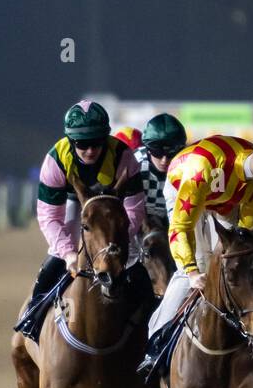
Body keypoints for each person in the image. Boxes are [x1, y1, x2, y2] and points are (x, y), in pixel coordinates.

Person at [137, 130, 253, 379]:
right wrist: (192, 273)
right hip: (186, 187)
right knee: (198, 264)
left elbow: (247, 232)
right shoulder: (204, 166)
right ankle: (155, 344)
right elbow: (180, 227)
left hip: (227, 199)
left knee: (241, 264)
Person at [12, 100, 150, 342]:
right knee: (56, 256)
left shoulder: (124, 156)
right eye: (82, 144)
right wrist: (68, 254)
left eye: (96, 142)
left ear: (106, 138)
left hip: (111, 209)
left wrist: (116, 243)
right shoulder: (55, 160)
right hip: (74, 203)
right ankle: (32, 319)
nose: (90, 150)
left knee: (136, 267)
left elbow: (135, 209)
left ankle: (152, 328)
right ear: (70, 141)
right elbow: (49, 216)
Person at [133, 113, 187, 234]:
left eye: (172, 154)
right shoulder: (135, 163)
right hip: (141, 220)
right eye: (157, 153)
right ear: (147, 148)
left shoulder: (189, 164)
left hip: (177, 219)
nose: (164, 160)